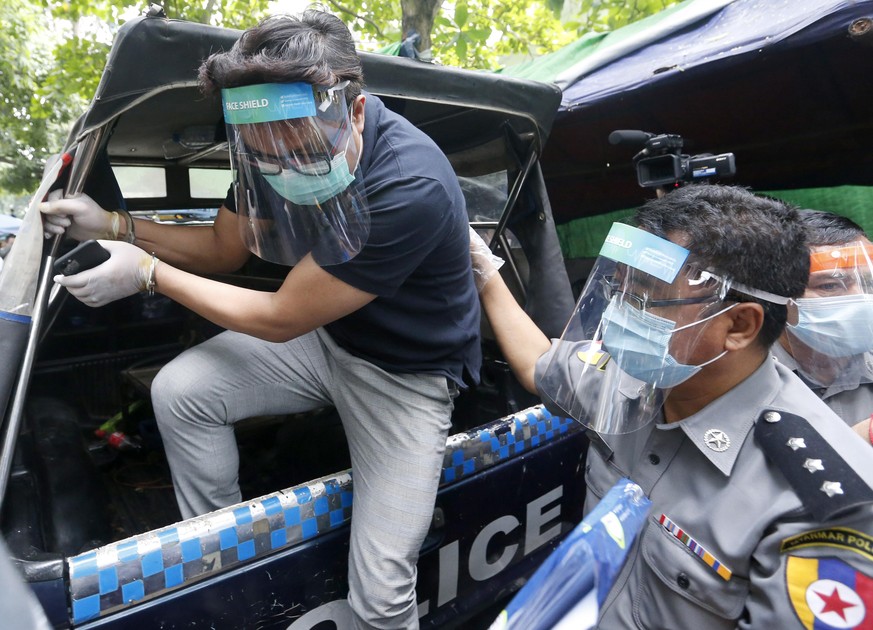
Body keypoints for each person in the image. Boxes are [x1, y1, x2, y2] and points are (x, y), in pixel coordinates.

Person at [41, 11, 480, 629]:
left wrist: (146, 273)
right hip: (330, 340)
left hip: (406, 376)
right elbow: (225, 248)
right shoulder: (272, 142)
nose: (283, 170)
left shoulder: (409, 184)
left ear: (353, 112)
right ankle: (220, 560)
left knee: (382, 595)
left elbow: (278, 317)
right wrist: (113, 225)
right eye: (263, 156)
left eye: (298, 153)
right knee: (182, 392)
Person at [471, 184, 873, 628]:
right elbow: (540, 365)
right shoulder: (630, 380)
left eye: (645, 298)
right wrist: (485, 272)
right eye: (619, 289)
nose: (620, 313)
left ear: (738, 325)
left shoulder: (819, 504)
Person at [774, 209, 873, 444]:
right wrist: (860, 440)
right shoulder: (740, 376)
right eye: (830, 286)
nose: (861, 298)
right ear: (775, 294)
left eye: (869, 283)